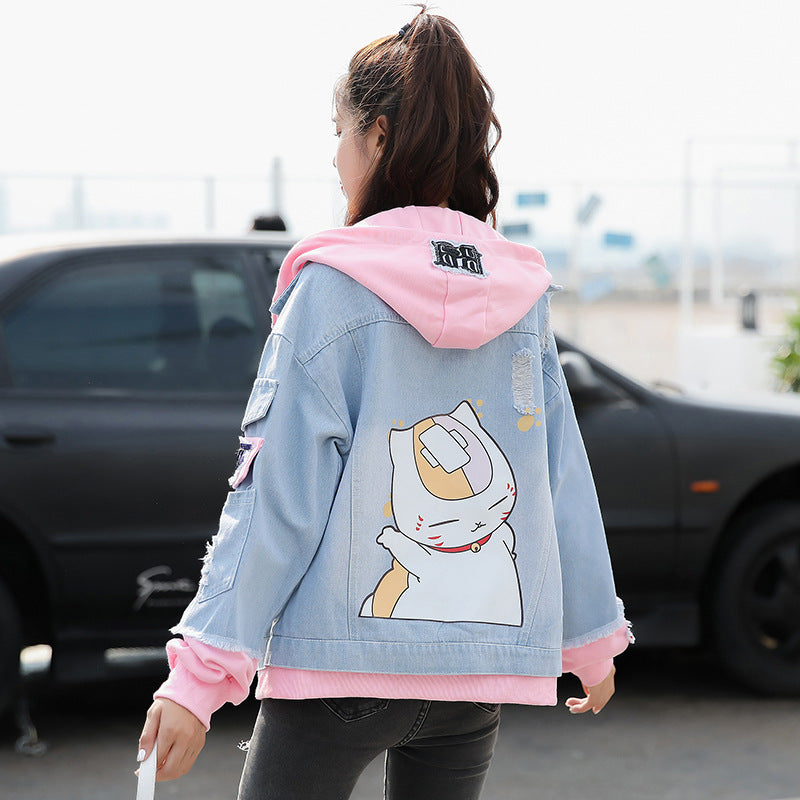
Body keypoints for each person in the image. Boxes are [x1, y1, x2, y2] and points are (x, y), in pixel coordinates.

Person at [138, 9, 632, 799]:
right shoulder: (519, 296)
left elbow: (276, 496)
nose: (333, 156)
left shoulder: (334, 288)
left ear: (376, 134)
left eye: (337, 131)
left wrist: (198, 678)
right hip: (473, 675)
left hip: (340, 669)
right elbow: (558, 476)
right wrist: (592, 638)